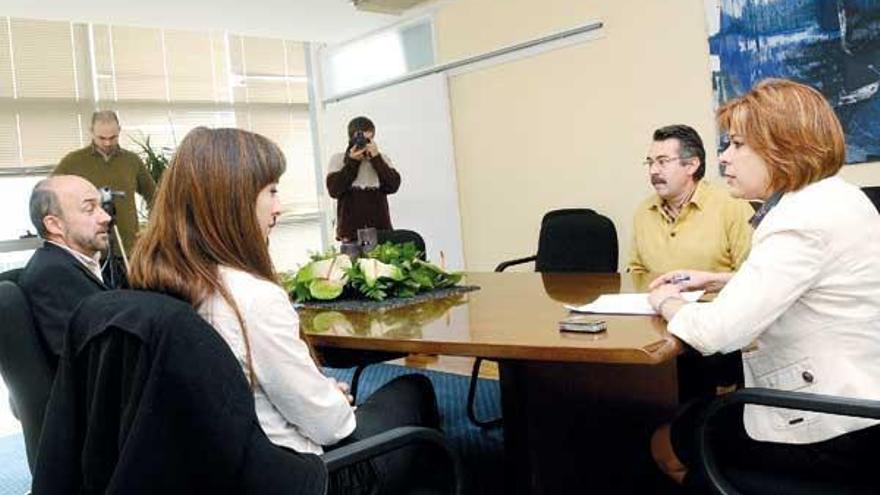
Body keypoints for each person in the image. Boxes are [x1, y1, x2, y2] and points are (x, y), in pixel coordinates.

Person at [129, 127, 440, 495]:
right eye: (271, 191)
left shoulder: (158, 283)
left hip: (221, 469)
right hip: (310, 476)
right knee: (414, 388)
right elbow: (333, 427)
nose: (279, 207)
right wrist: (331, 400)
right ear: (234, 200)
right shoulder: (252, 298)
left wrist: (318, 392)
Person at [647, 79, 880, 490]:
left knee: (666, 443)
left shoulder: (797, 219)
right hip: (863, 400)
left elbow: (716, 332)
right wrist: (718, 277)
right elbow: (813, 283)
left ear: (782, 146)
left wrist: (667, 301)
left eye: (737, 144)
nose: (723, 158)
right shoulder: (840, 197)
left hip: (834, 429)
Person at [627, 124, 754, 274]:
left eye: (662, 161)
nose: (653, 171)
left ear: (692, 165)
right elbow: (636, 272)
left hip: (717, 298)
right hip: (657, 297)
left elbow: (752, 277)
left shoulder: (733, 207)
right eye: (650, 163)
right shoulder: (644, 212)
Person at [19, 175, 110, 366]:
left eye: (101, 206)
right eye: (89, 209)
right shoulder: (53, 275)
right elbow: (92, 358)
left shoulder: (68, 264)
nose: (106, 217)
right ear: (54, 225)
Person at [54, 110, 156, 277]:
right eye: (102, 138)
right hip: (88, 250)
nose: (108, 143)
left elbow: (154, 196)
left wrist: (153, 230)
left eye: (113, 137)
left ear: (119, 131)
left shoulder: (131, 161)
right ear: (91, 132)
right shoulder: (73, 161)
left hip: (127, 248)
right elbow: (50, 196)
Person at [326, 116, 401, 242]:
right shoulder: (338, 160)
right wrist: (352, 162)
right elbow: (334, 190)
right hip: (350, 234)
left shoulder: (382, 159)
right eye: (360, 139)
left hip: (381, 231)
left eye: (368, 139)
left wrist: (376, 159)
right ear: (350, 139)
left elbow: (393, 186)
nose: (364, 143)